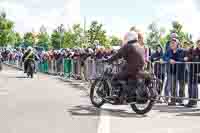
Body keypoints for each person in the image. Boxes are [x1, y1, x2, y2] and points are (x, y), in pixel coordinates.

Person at [105, 31, 147, 100]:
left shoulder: (128, 46)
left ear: (129, 37)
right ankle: (124, 94)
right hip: (140, 69)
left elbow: (118, 54)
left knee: (115, 78)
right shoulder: (140, 46)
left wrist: (109, 60)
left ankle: (116, 96)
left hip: (131, 70)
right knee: (124, 77)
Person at [184, 38, 200, 107]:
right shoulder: (194, 50)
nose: (199, 44)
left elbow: (194, 58)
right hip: (191, 70)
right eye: (198, 43)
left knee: (194, 86)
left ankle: (194, 102)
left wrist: (190, 58)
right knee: (190, 86)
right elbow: (191, 57)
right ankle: (190, 101)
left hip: (197, 71)